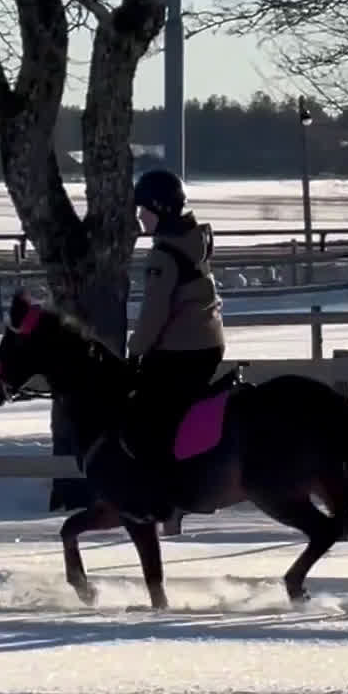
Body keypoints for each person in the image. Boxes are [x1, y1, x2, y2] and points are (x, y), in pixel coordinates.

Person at [128, 167, 226, 478]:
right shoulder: (193, 241)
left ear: (161, 209)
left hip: (181, 349)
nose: (140, 217)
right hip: (209, 343)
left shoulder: (163, 256)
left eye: (144, 209)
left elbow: (154, 312)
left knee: (143, 415)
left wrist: (135, 350)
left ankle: (162, 480)